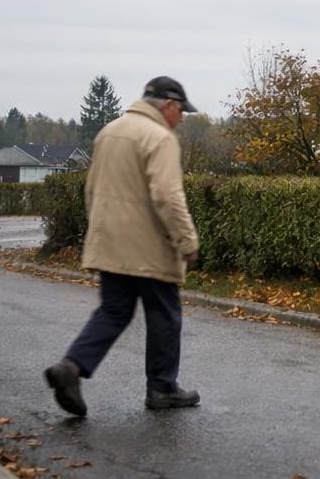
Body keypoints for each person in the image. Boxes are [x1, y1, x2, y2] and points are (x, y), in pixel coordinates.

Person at [45, 77, 202, 416]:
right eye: (181, 112)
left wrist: (100, 230)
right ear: (169, 105)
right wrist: (187, 242)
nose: (182, 119)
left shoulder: (110, 131)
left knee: (113, 312)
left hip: (110, 242)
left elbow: (91, 190)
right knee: (164, 315)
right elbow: (167, 196)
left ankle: (71, 367)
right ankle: (162, 388)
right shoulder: (160, 138)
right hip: (148, 246)